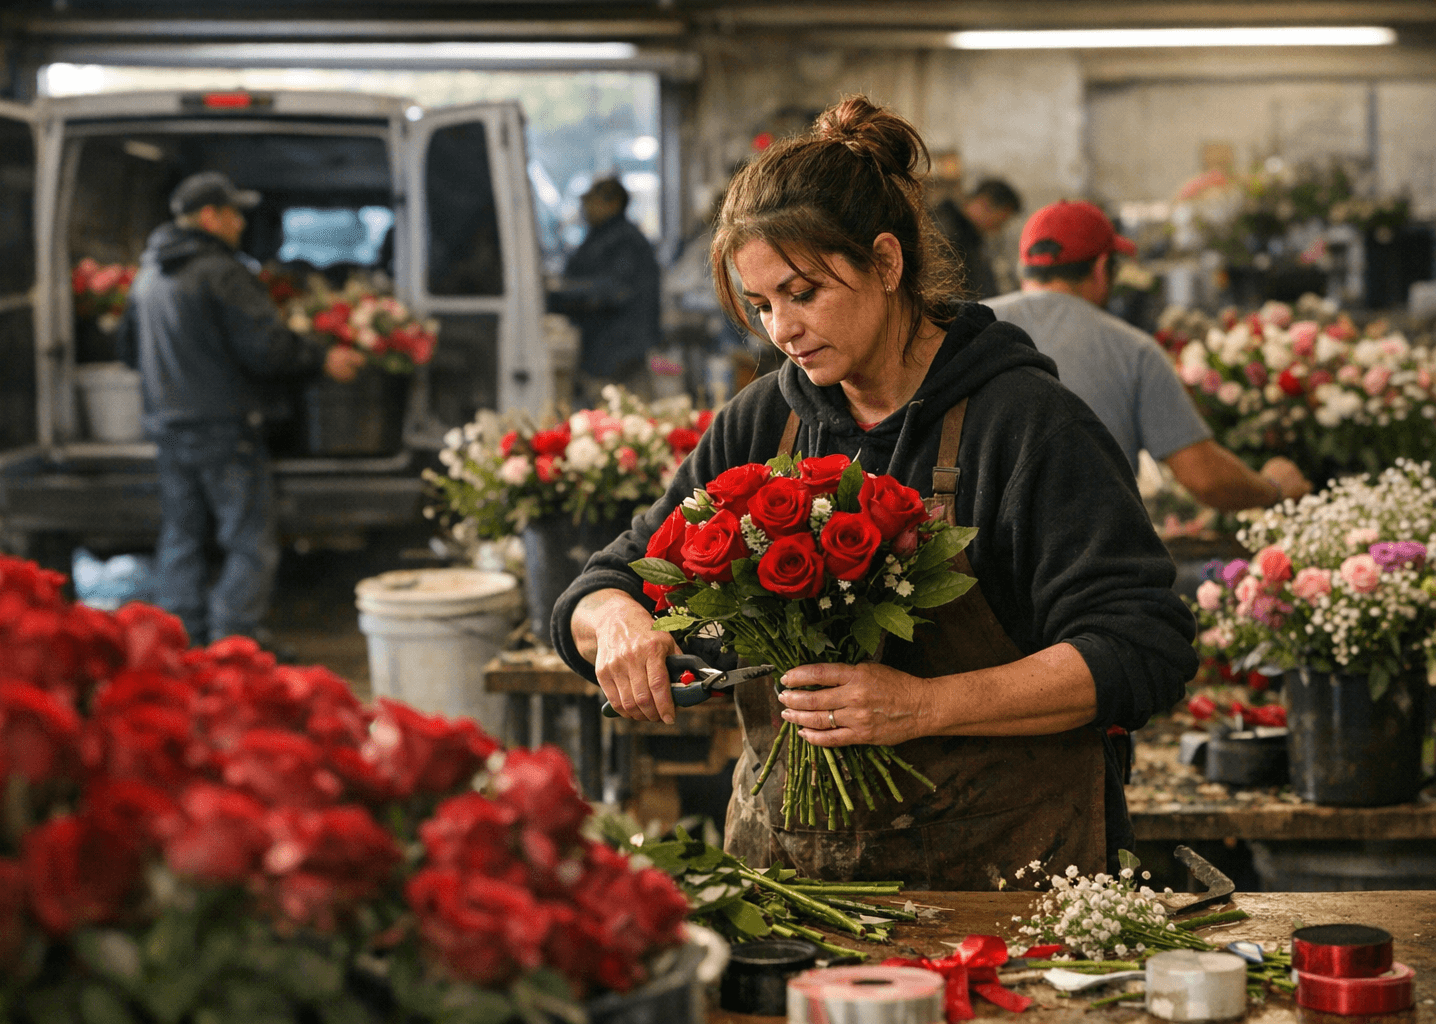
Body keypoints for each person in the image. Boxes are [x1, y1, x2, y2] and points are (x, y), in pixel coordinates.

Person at [549, 97, 1197, 889]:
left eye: (803, 292)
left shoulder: (1026, 426)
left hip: (1005, 877)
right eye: (761, 306)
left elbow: (1142, 649)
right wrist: (617, 623)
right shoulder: (765, 421)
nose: (782, 328)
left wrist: (925, 706)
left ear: (887, 264)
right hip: (798, 878)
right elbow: (607, 581)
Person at [118, 171, 364, 647]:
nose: (240, 223)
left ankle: (182, 639)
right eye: (234, 214)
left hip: (167, 427)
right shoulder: (223, 272)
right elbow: (266, 350)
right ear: (210, 216)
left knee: (181, 536)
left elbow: (128, 351)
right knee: (247, 540)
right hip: (224, 427)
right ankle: (234, 641)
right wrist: (320, 357)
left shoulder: (148, 275)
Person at [986, 201, 1312, 511]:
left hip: (967, 559)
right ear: (1102, 269)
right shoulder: (1133, 350)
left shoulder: (963, 327)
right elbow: (1205, 479)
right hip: (1084, 560)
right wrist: (1273, 488)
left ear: (1024, 268)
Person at [547, 177, 661, 404]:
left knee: (618, 419)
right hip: (600, 347)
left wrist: (555, 295)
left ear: (613, 204)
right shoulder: (600, 236)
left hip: (619, 352)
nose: (585, 208)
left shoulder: (625, 242)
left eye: (592, 201)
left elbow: (611, 290)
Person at [930, 178, 1022, 300]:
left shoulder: (971, 235)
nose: (999, 228)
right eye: (1001, 220)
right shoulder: (946, 232)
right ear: (984, 203)